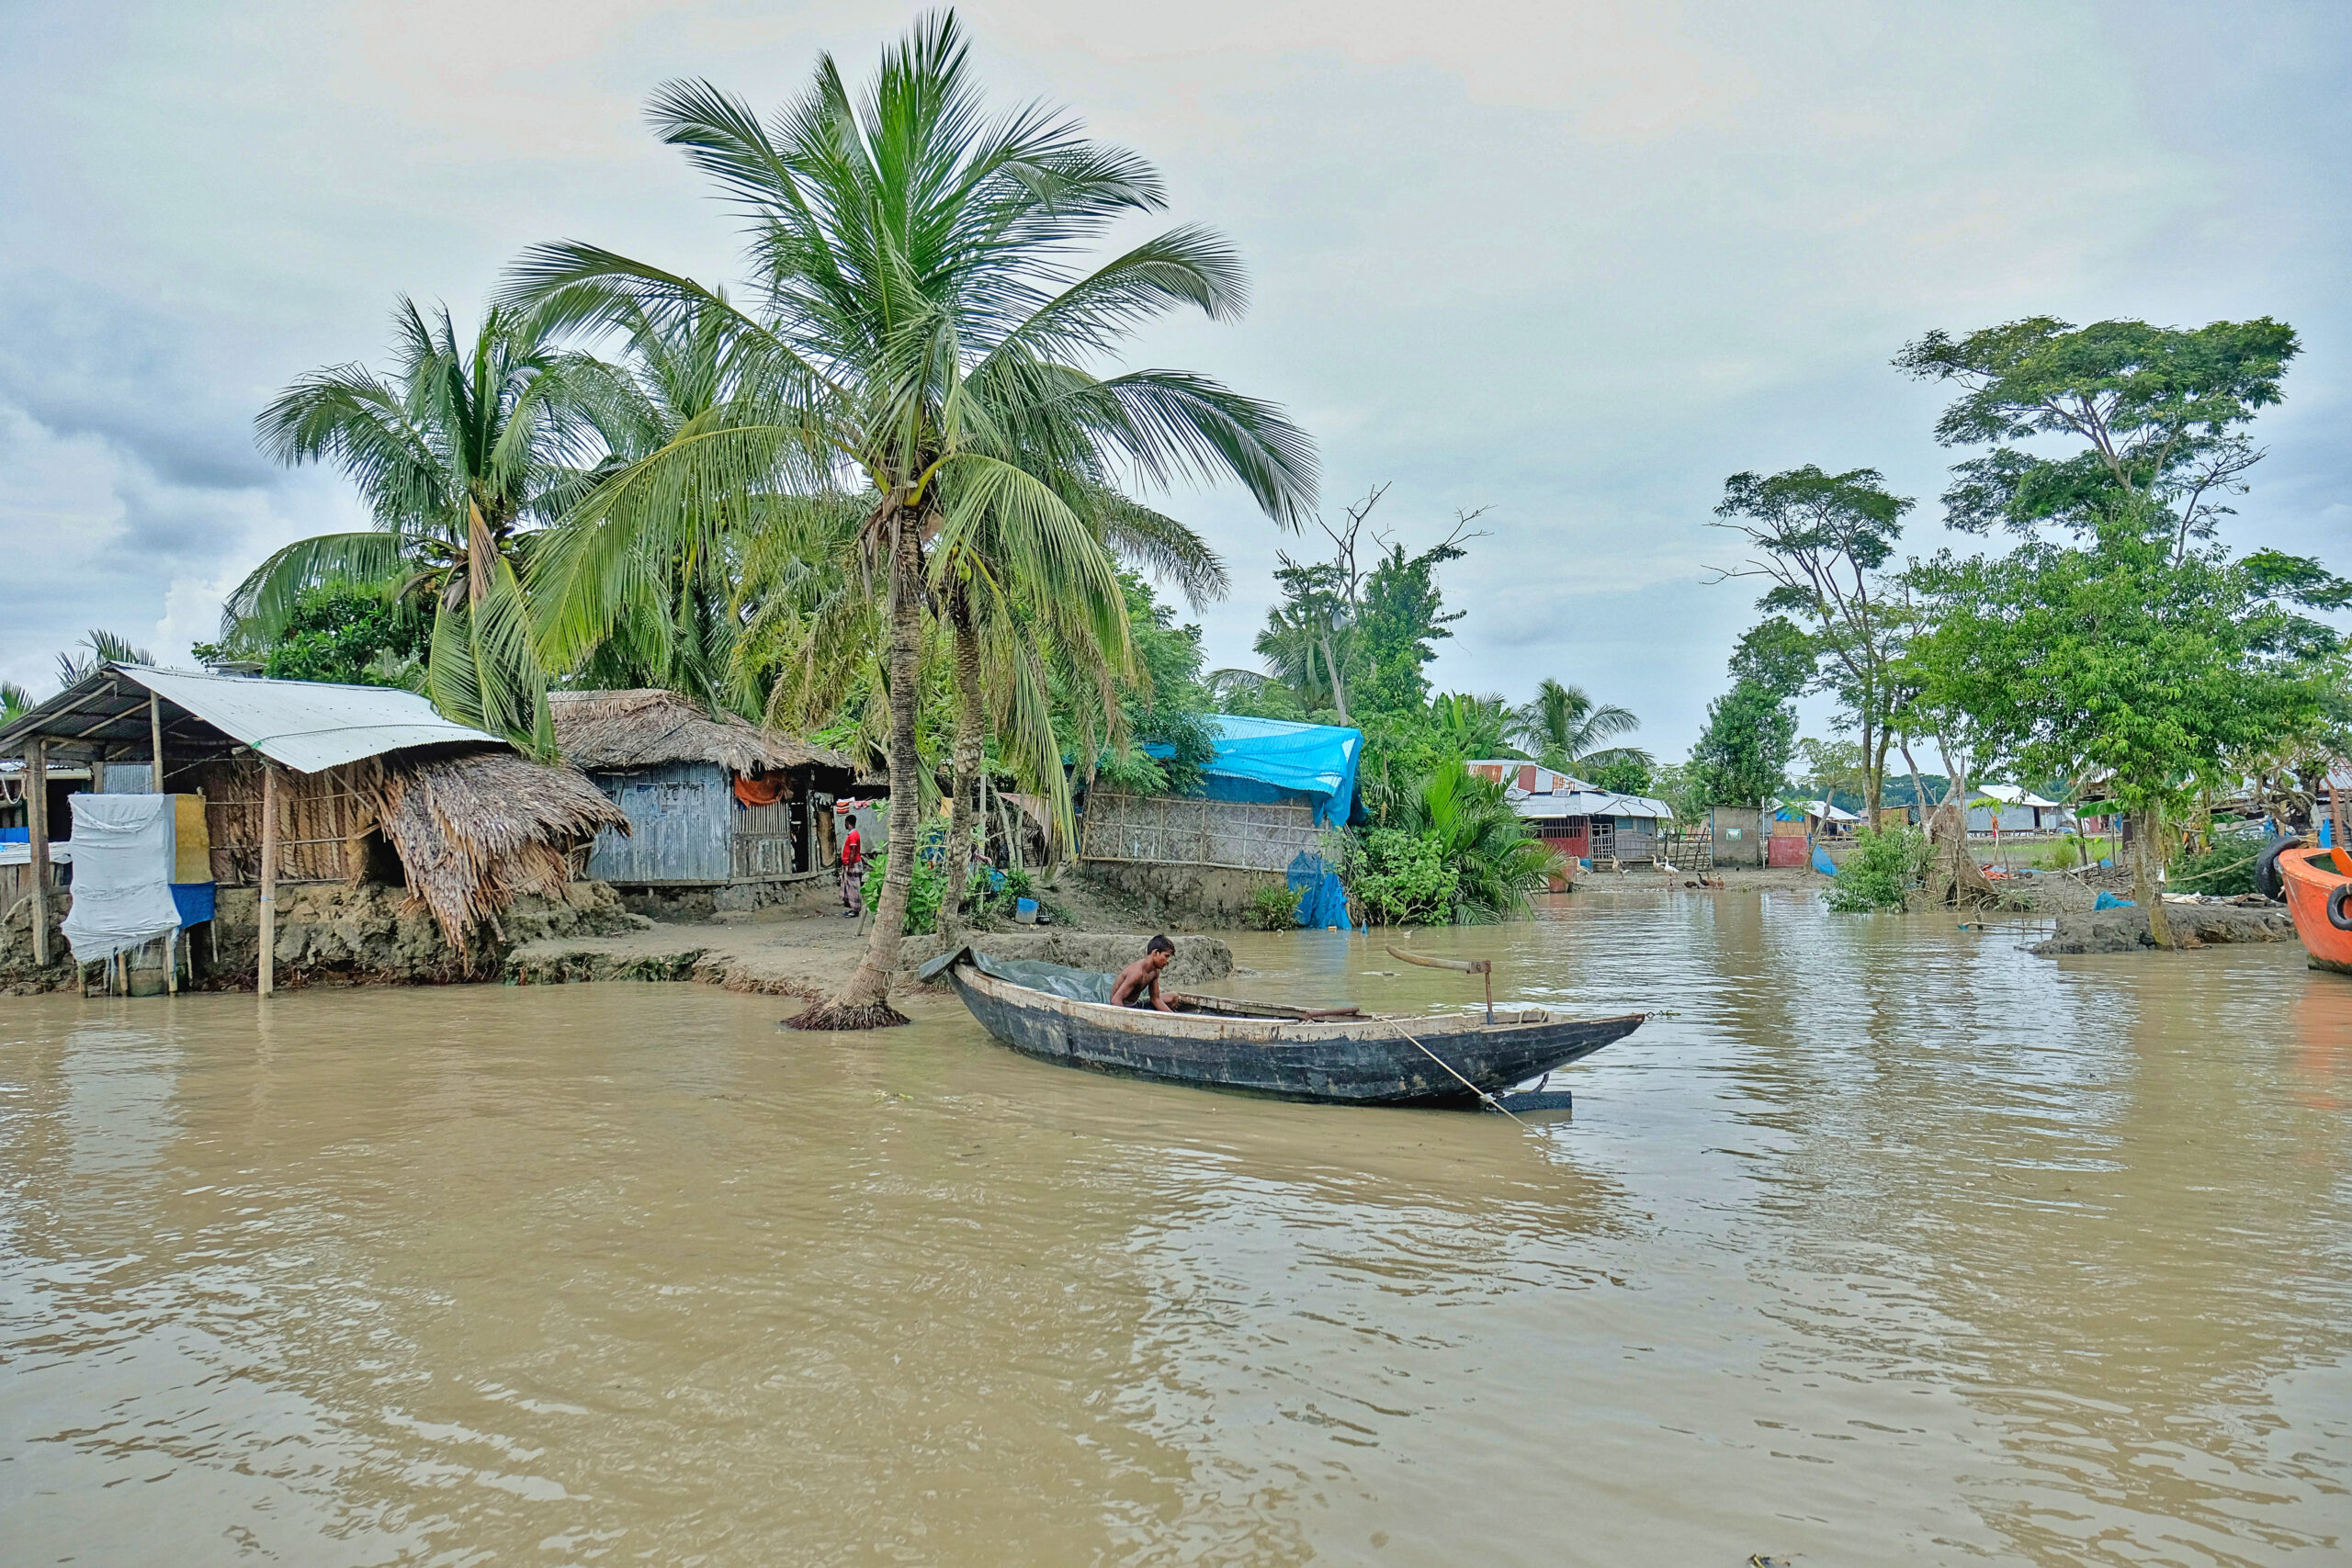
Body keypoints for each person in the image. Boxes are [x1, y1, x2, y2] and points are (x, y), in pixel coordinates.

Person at [1109, 934, 1178, 1011]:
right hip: (1125, 1007)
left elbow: (1155, 999)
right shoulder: (1137, 973)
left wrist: (1173, 1016)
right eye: (1166, 956)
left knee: (1173, 997)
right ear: (1155, 953)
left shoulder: (1155, 971)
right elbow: (1115, 1001)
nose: (1168, 961)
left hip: (1136, 1004)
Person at [838, 815, 865, 915]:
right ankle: (853, 908)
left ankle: (855, 910)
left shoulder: (853, 835)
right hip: (851, 863)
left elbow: (853, 851)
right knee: (850, 887)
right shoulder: (853, 834)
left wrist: (849, 866)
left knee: (853, 888)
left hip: (853, 864)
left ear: (847, 823)